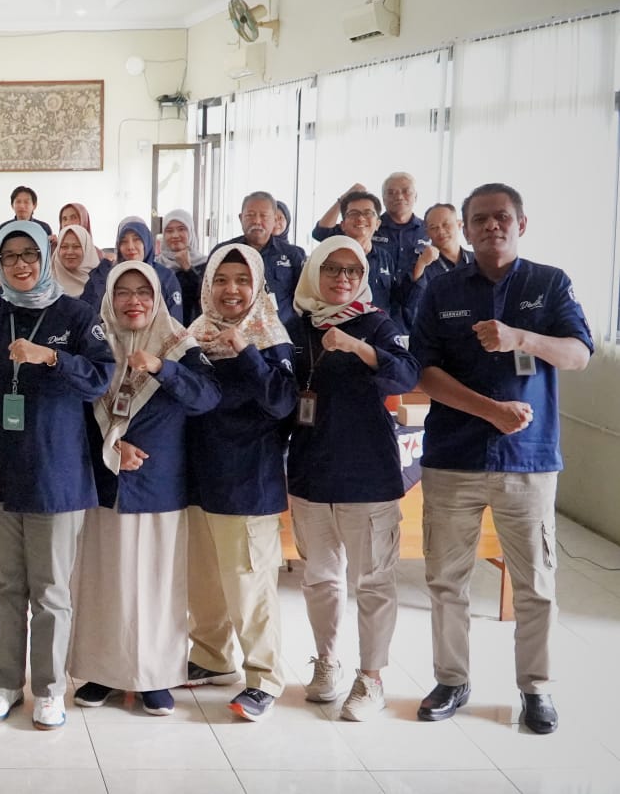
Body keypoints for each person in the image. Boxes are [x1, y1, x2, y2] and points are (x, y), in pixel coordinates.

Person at [411, 183, 592, 735]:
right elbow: (422, 370)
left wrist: (522, 337)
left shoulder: (549, 283)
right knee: (446, 580)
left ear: (522, 224)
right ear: (464, 230)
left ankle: (535, 689)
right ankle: (452, 679)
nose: (493, 226)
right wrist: (489, 410)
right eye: (481, 219)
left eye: (503, 217)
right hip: (453, 458)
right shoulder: (441, 291)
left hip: (528, 461)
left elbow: (579, 354)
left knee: (535, 582)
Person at [0, 221, 112, 730]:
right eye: (10, 255)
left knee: (49, 590)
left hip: (55, 470)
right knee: (3, 586)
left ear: (44, 257)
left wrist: (52, 358)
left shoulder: (77, 314)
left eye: (29, 254)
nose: (20, 264)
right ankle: (4, 682)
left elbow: (99, 379)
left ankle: (47, 689)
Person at [69, 262, 219, 718]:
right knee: (103, 583)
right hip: (104, 485)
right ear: (109, 299)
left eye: (143, 293)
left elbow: (207, 397)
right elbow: (75, 410)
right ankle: (102, 672)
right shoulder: (96, 343)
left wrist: (161, 368)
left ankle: (154, 677)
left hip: (159, 487)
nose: (133, 301)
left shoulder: (177, 344)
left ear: (157, 299)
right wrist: (113, 448)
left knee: (157, 586)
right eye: (123, 292)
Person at [285, 235, 420, 722]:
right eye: (331, 269)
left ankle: (372, 677)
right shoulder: (296, 324)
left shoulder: (378, 323)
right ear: (314, 271)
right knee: (320, 579)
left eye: (351, 270)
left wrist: (359, 347)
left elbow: (406, 377)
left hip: (368, 476)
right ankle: (326, 663)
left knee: (374, 581)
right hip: (311, 473)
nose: (342, 278)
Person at [183, 245, 297, 714]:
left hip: (248, 483)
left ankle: (265, 677)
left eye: (242, 280)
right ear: (208, 285)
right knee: (205, 582)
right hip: (198, 479)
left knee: (248, 585)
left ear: (257, 286)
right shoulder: (193, 335)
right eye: (222, 280)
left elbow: (282, 403)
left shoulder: (271, 337)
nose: (231, 290)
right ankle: (211, 657)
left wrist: (246, 352)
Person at [312, 173, 430, 281]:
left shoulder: (429, 229)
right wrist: (343, 200)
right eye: (391, 192)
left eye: (406, 191)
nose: (399, 197)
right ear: (383, 199)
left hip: (413, 299)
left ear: (416, 196)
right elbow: (322, 233)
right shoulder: (367, 226)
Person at [213, 191, 305, 327]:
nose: (257, 221)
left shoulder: (293, 254)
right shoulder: (223, 251)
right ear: (240, 218)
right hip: (234, 333)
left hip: (282, 335)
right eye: (250, 215)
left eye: (264, 216)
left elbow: (303, 298)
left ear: (274, 219)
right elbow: (207, 295)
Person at [337, 190, 421, 329]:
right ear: (343, 225)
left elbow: (396, 299)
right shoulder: (330, 256)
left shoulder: (385, 257)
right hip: (342, 333)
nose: (361, 218)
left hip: (379, 334)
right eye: (353, 213)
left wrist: (420, 267)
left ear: (377, 224)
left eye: (368, 213)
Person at [80, 218, 185, 322]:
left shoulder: (165, 276)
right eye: (124, 241)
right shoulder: (109, 275)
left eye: (136, 239)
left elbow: (174, 321)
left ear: (146, 242)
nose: (130, 247)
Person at [156, 209, 205, 324]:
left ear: (191, 232)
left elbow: (206, 298)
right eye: (169, 231)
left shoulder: (205, 263)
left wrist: (188, 268)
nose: (175, 235)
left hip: (195, 329)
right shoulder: (156, 264)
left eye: (181, 229)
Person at [0, 186, 53, 264]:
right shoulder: (4, 228)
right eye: (18, 202)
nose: (22, 206)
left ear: (34, 205)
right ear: (12, 205)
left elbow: (50, 257)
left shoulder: (43, 228)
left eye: (26, 202)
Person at [52, 224, 100, 299]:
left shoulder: (101, 282)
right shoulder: (46, 287)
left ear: (87, 249)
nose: (70, 252)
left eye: (76, 246)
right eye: (64, 246)